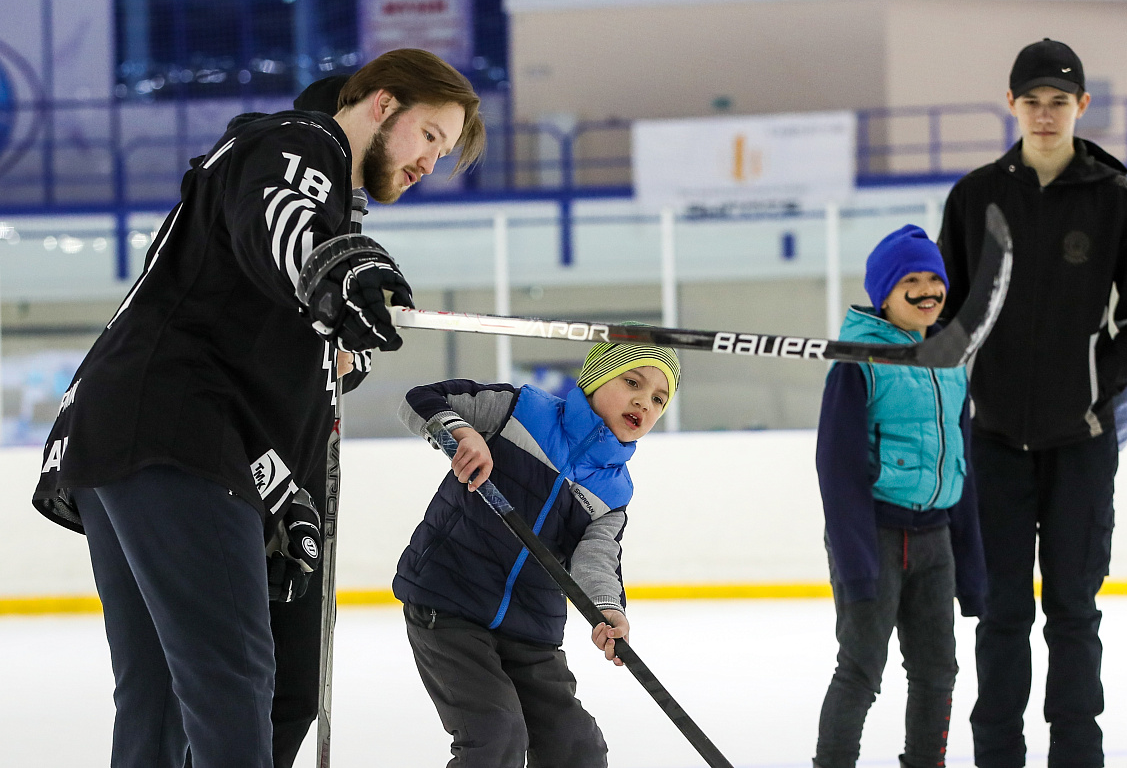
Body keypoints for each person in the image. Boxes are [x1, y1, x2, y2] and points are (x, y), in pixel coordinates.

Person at [31, 48, 486, 768]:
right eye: (430, 134)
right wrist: (339, 266)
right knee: (231, 681)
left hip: (119, 432)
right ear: (381, 103)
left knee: (157, 698)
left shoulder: (279, 188)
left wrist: (336, 349)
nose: (432, 160)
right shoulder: (303, 142)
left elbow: (260, 306)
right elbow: (283, 215)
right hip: (176, 432)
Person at [937, 39, 1127, 768]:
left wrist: (1096, 387)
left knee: (1073, 610)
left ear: (1081, 107)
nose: (1044, 113)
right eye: (1031, 100)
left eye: (1058, 101)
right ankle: (997, 755)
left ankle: (1076, 757)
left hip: (1082, 440)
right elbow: (946, 316)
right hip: (995, 439)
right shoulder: (975, 198)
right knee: (1002, 611)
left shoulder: (1115, 198)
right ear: (1011, 104)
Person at [394, 340, 681, 767]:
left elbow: (597, 558)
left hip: (530, 629)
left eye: (659, 398)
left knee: (577, 748)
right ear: (596, 378)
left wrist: (608, 609)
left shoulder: (615, 492)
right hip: (449, 603)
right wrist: (461, 431)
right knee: (496, 735)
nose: (645, 401)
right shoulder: (521, 411)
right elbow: (420, 400)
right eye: (632, 381)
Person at [813, 225, 986, 768]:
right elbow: (836, 469)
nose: (927, 289)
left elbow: (961, 463)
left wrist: (972, 564)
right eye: (910, 279)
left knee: (938, 670)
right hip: (876, 538)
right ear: (884, 293)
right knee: (862, 667)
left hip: (935, 540)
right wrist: (857, 560)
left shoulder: (950, 360)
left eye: (934, 278)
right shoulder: (857, 361)